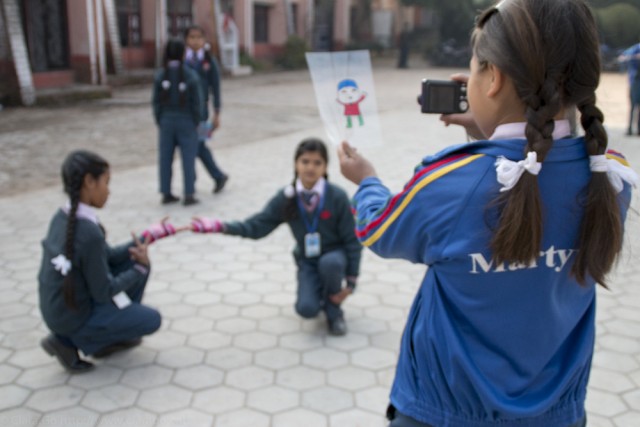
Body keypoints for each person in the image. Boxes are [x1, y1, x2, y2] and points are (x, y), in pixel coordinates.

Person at [338, 0, 638, 426]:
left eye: (476, 66)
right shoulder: (612, 177)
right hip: (557, 415)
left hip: (443, 415)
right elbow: (533, 177)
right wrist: (489, 133)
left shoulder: (451, 182)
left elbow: (379, 229)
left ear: (492, 77)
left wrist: (366, 179)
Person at [188, 138, 362, 335]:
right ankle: (318, 289)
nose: (310, 168)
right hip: (307, 259)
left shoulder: (336, 196)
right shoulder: (287, 197)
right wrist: (219, 226)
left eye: (317, 163)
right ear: (296, 164)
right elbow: (256, 227)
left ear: (325, 167)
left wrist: (351, 281)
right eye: (305, 161)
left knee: (330, 264)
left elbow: (352, 240)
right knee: (306, 309)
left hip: (334, 257)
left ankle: (334, 311)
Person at [38, 150, 164, 373]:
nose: (109, 190)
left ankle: (100, 336)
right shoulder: (88, 232)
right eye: (106, 182)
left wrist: (151, 234)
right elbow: (103, 291)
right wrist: (139, 267)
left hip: (60, 310)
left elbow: (111, 257)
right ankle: (68, 342)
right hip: (73, 318)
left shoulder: (63, 217)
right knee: (152, 319)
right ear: (89, 182)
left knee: (129, 263)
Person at [152, 38, 204, 206]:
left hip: (167, 121)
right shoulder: (190, 74)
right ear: (183, 53)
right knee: (188, 157)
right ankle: (189, 193)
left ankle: (166, 192)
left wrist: (160, 119)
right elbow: (198, 102)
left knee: (165, 157)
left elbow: (155, 102)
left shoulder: (161, 75)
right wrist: (198, 121)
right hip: (187, 121)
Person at [184, 25, 229, 193]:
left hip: (203, 112)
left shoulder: (209, 61)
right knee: (195, 146)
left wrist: (217, 113)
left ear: (204, 41)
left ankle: (216, 176)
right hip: (186, 113)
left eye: (198, 37)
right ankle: (217, 176)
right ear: (186, 40)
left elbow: (216, 88)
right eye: (192, 37)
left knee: (200, 144)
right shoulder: (183, 60)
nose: (195, 41)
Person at [618, 42, 640, 136]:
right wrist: (633, 57)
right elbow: (623, 56)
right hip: (635, 81)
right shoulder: (637, 48)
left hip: (635, 81)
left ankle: (638, 129)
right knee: (633, 106)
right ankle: (630, 129)